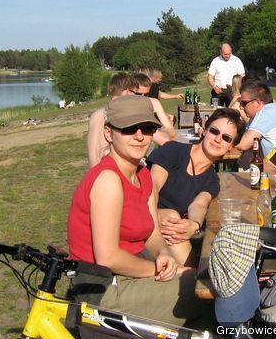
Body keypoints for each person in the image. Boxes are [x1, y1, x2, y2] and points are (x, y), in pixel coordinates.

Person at [67, 95, 203, 325]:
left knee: (201, 281)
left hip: (131, 271)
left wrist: (163, 253)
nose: (140, 136)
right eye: (129, 129)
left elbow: (153, 234)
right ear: (108, 133)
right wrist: (158, 269)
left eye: (147, 128)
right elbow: (108, 258)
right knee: (203, 291)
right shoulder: (108, 180)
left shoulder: (143, 175)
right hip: (102, 287)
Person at [146, 108, 245, 267]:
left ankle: (190, 273)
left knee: (176, 224)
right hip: (141, 213)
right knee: (171, 216)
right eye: (214, 131)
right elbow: (152, 186)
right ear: (204, 130)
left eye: (226, 138)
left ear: (231, 146)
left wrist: (194, 224)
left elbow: (199, 204)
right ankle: (191, 273)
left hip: (170, 232)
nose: (218, 139)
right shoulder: (173, 150)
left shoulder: (212, 180)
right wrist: (157, 216)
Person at [234, 80, 276, 156]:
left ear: (258, 103)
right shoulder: (270, 109)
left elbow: (243, 145)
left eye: (244, 103)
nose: (241, 107)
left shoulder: (265, 114)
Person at [133, 73, 176, 139]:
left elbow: (170, 129)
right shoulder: (124, 104)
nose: (143, 98)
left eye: (146, 94)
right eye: (138, 94)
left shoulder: (153, 102)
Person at [207, 42, 245, 107]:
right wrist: (214, 87)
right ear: (221, 52)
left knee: (232, 111)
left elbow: (242, 76)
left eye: (229, 54)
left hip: (232, 91)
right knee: (216, 110)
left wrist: (237, 88)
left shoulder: (237, 60)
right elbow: (210, 77)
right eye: (225, 54)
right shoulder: (215, 61)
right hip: (218, 91)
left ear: (231, 51)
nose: (227, 56)